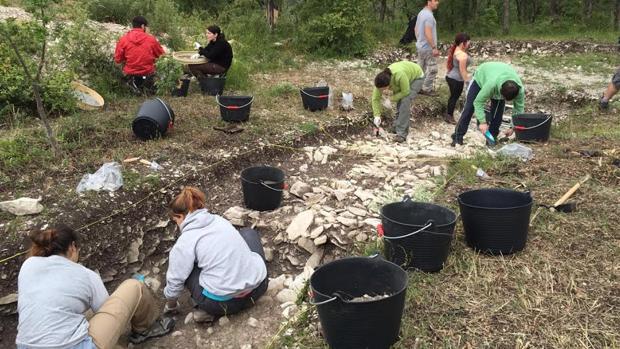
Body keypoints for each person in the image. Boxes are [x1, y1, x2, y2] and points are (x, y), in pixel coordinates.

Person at [16, 225, 173, 349]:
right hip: (72, 346)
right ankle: (145, 330)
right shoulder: (85, 274)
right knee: (134, 286)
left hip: (24, 345)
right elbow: (105, 310)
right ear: (72, 247)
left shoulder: (28, 265)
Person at [162, 187, 268, 323]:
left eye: (175, 220)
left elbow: (176, 279)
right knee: (248, 234)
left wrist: (171, 305)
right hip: (258, 288)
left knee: (185, 267)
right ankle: (246, 278)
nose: (177, 224)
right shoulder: (219, 220)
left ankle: (207, 310)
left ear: (181, 216)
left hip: (224, 304)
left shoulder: (186, 241)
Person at [451, 61, 524, 146]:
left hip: (499, 75)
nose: (503, 99)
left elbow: (519, 109)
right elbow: (478, 102)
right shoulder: (491, 84)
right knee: (469, 108)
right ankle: (457, 137)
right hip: (481, 76)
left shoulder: (520, 90)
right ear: (500, 90)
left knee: (497, 114)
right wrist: (482, 122)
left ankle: (491, 140)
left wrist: (513, 127)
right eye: (503, 97)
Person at [371, 61, 425, 143]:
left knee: (405, 101)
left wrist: (391, 99)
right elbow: (375, 99)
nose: (381, 91)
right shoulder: (380, 80)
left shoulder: (399, 75)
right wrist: (376, 115)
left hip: (416, 77)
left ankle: (402, 134)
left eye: (383, 89)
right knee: (399, 99)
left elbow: (406, 91)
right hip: (405, 77)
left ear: (388, 85)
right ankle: (397, 126)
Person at [114, 16, 165, 95]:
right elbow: (161, 55)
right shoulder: (151, 39)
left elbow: (118, 59)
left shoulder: (123, 39)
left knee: (122, 62)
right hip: (147, 72)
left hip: (130, 72)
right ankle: (148, 87)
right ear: (143, 26)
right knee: (159, 62)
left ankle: (130, 84)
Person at [444, 33, 473, 125]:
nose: (469, 44)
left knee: (453, 97)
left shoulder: (457, 49)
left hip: (451, 76)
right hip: (456, 79)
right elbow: (462, 71)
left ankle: (449, 114)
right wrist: (468, 82)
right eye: (468, 42)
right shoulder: (462, 55)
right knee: (454, 97)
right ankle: (449, 115)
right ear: (462, 43)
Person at [414, 0, 440, 95]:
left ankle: (416, 87)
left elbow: (415, 28)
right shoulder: (429, 16)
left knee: (419, 69)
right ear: (429, 1)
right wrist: (433, 47)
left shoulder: (421, 13)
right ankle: (426, 88)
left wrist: (419, 41)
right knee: (433, 69)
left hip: (420, 46)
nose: (437, 2)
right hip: (428, 48)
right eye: (435, 0)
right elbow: (427, 32)